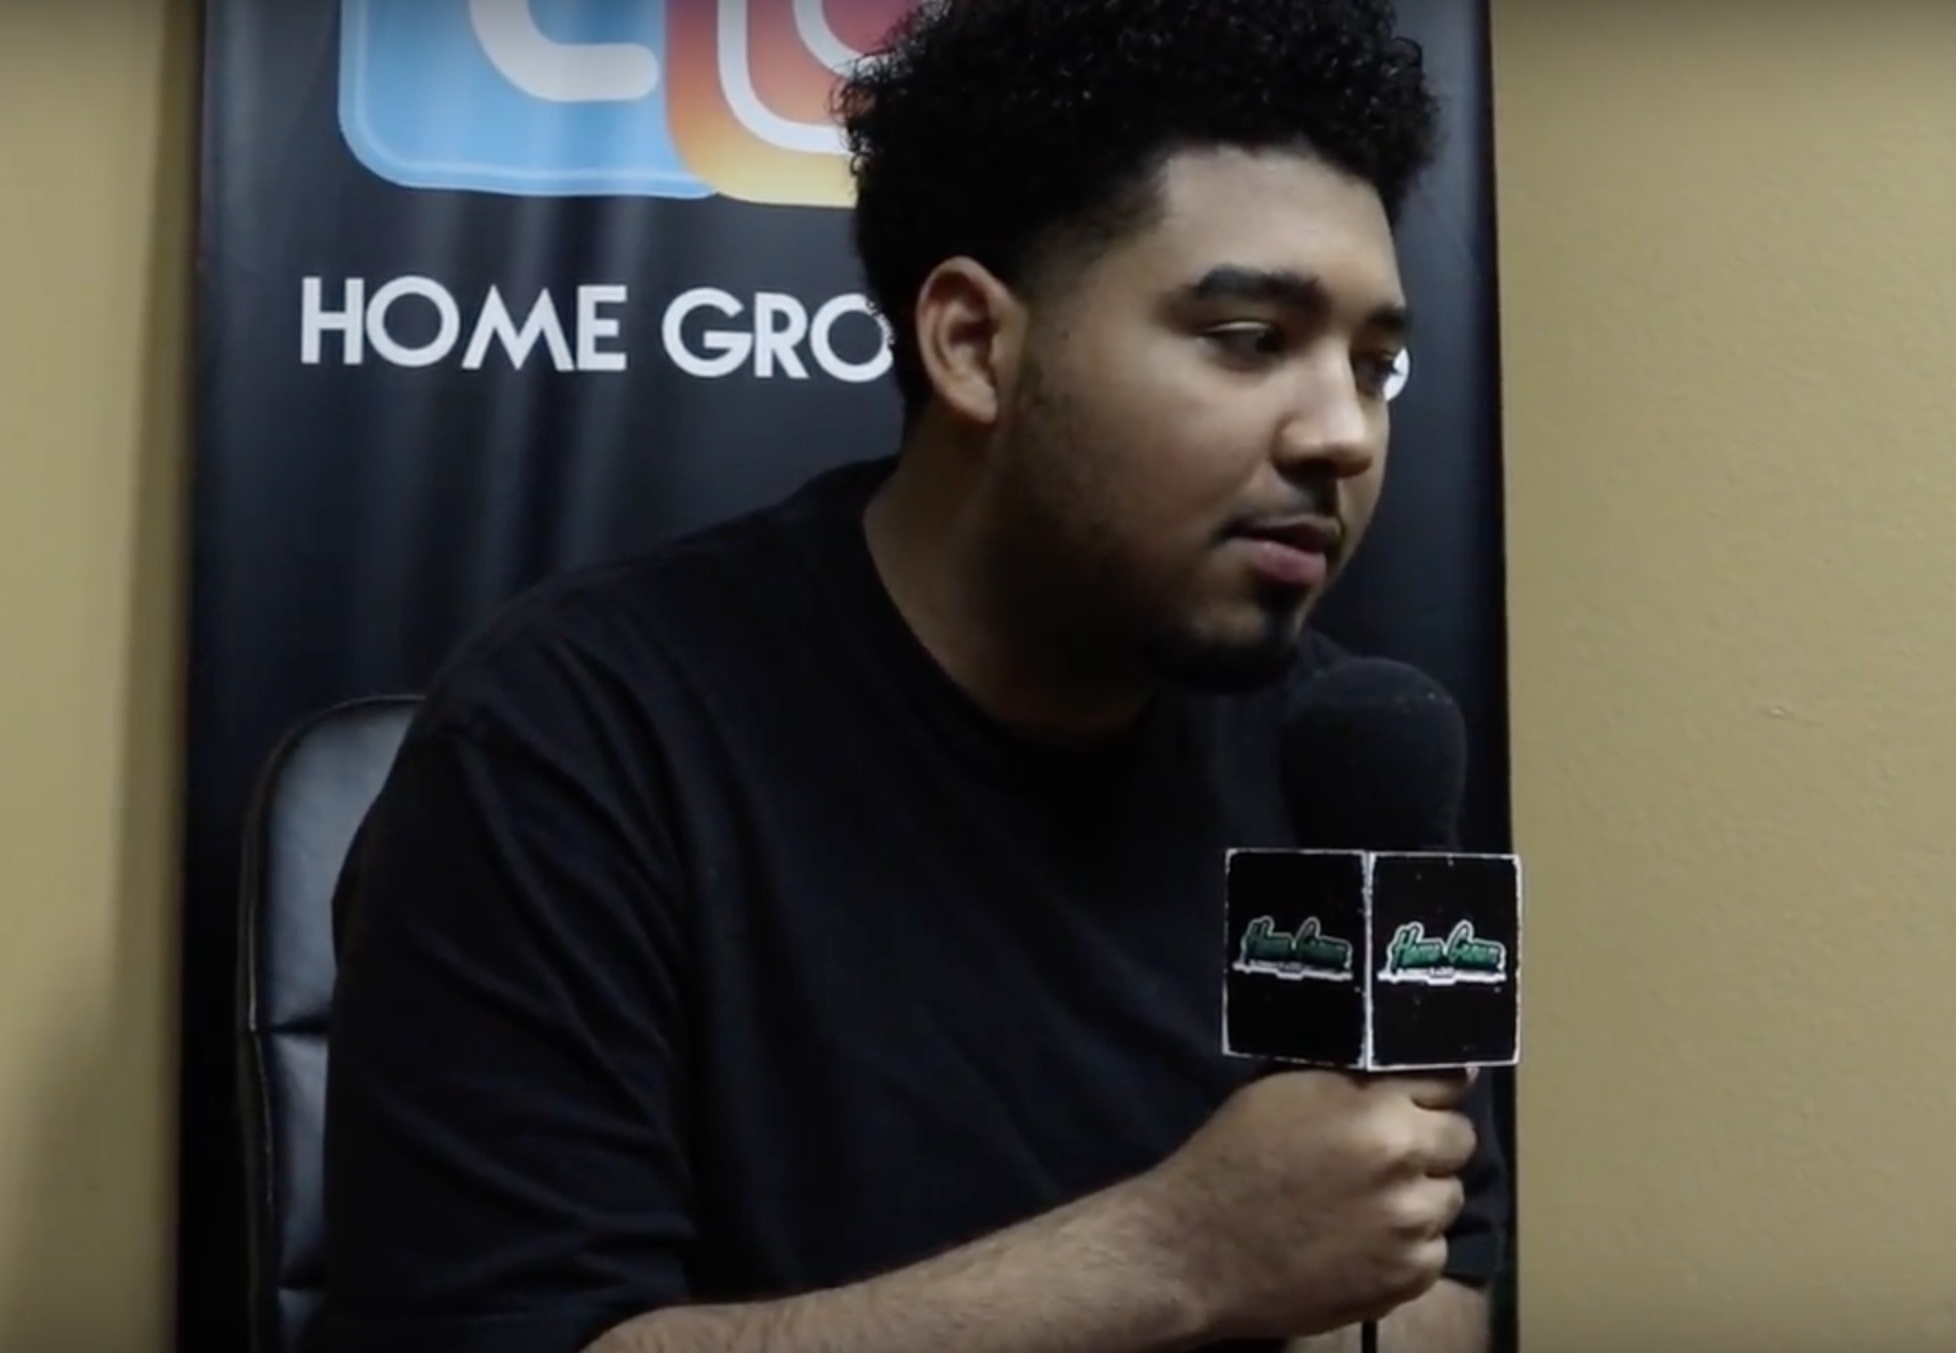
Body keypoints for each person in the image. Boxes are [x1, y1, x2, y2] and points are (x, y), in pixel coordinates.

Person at [320, 0, 1511, 1350]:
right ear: (973, 345)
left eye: (1376, 364)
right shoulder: (575, 742)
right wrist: (1179, 1254)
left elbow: (1437, 1286)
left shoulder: (1344, 759)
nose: (1344, 432)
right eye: (1248, 338)